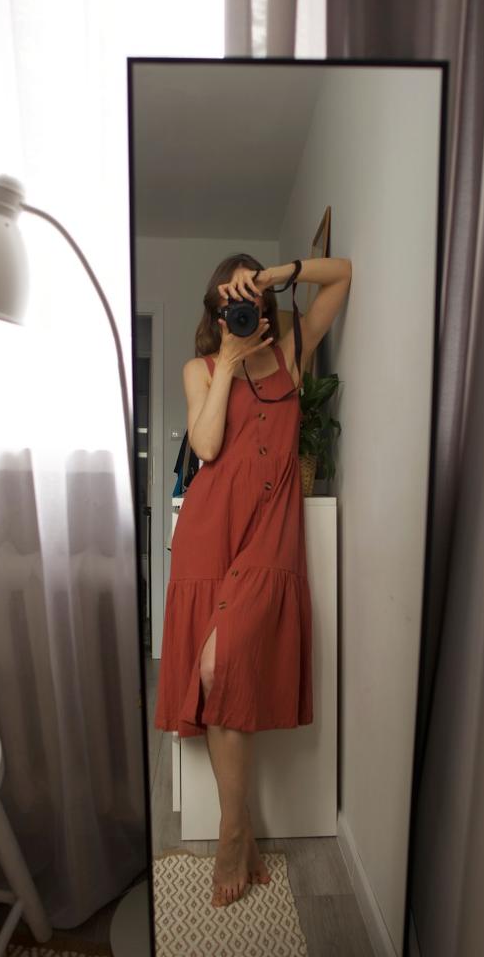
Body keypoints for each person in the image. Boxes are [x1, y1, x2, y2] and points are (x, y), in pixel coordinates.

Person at [154, 252, 352, 907]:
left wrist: (273, 274)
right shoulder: (201, 369)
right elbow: (207, 447)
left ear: (262, 306)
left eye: (248, 299)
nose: (240, 308)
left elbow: (342, 275)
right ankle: (239, 829)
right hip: (208, 537)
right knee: (216, 678)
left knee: (222, 666)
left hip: (269, 537)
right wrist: (230, 359)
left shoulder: (292, 357)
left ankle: (233, 828)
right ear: (216, 312)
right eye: (229, 301)